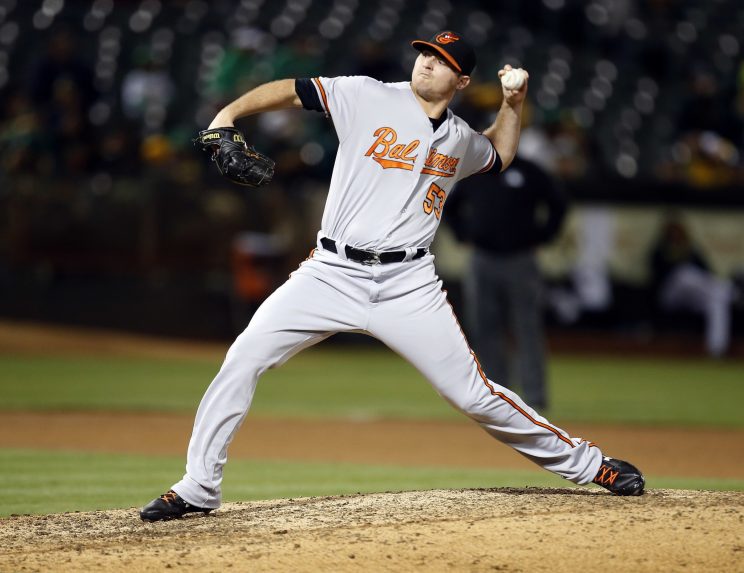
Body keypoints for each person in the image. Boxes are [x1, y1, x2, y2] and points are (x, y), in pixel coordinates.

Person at [141, 31, 644, 521]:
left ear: (461, 80)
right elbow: (292, 91)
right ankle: (198, 487)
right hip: (331, 273)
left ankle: (590, 465)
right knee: (243, 358)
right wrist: (227, 116)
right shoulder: (366, 94)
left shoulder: (459, 139)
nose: (427, 62)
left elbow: (500, 154)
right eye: (424, 53)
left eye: (441, 60)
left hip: (409, 284)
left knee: (473, 394)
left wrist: (514, 103)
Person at [445, 154, 567, 411]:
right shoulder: (474, 172)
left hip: (521, 259)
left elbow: (558, 204)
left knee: (527, 328)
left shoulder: (530, 170)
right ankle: (497, 397)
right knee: (484, 328)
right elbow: (449, 206)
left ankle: (535, 398)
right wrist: (463, 234)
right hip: (482, 258)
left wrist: (543, 236)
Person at [650, 215, 737, 357]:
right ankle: (731, 291)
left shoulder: (692, 251)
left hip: (693, 298)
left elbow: (706, 272)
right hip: (670, 297)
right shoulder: (660, 251)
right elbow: (656, 276)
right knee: (684, 273)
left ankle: (716, 350)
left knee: (717, 301)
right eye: (673, 231)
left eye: (678, 231)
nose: (676, 235)